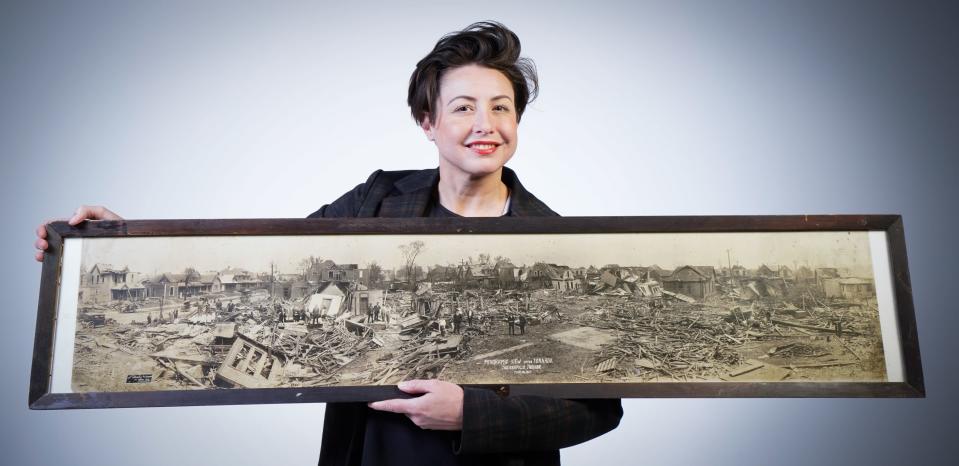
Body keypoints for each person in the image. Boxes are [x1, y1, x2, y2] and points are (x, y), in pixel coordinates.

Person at [34, 21, 622, 466]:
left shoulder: (558, 239)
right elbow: (263, 267)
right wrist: (121, 246)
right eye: (463, 107)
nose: (484, 125)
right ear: (428, 121)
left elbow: (601, 407)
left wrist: (473, 413)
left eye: (501, 108)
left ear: (518, 121)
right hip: (372, 451)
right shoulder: (375, 199)